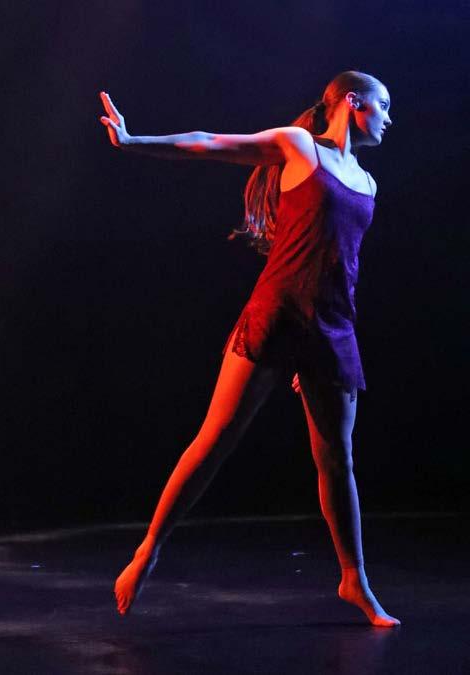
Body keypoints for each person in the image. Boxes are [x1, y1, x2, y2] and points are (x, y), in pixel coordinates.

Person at [99, 70, 400, 627]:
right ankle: (148, 550)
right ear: (353, 102)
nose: (389, 117)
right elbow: (211, 143)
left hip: (332, 325)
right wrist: (134, 140)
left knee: (337, 460)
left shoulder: (368, 182)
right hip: (276, 311)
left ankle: (353, 580)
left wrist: (317, 351)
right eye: (384, 105)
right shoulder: (298, 145)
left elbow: (346, 265)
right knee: (215, 438)